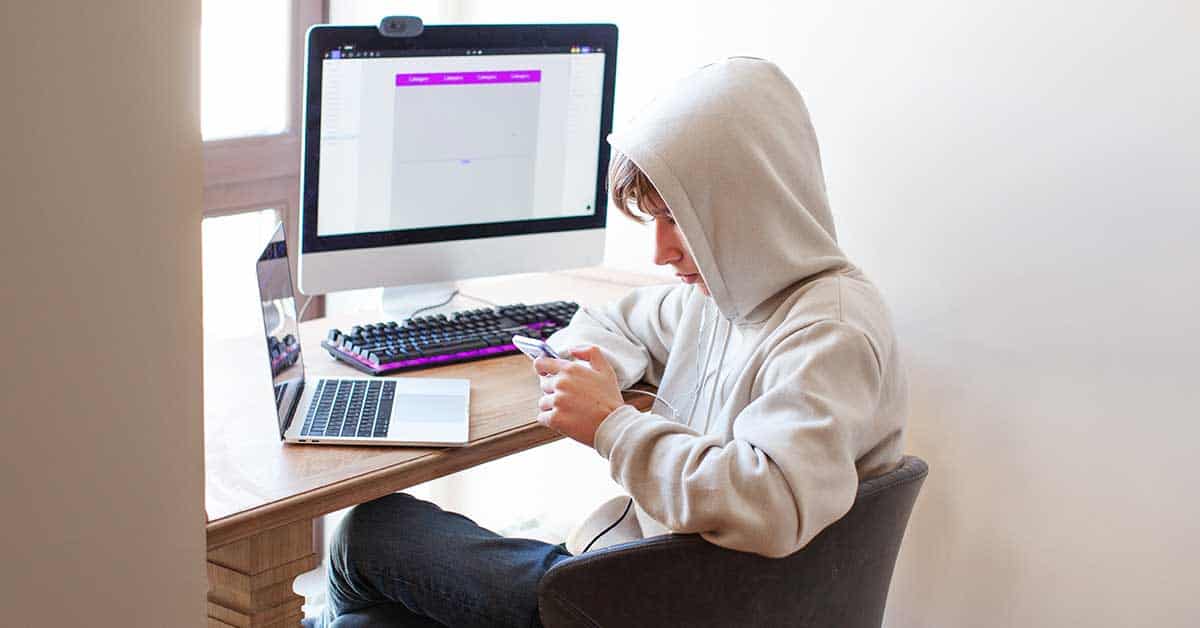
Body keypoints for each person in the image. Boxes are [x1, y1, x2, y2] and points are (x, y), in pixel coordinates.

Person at [309, 57, 907, 628]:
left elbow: (770, 502)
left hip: (669, 605)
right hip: (660, 580)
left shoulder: (830, 333)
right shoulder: (725, 300)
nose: (661, 252)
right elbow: (613, 321)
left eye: (680, 220)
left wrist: (610, 423)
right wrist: (591, 368)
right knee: (389, 603)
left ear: (749, 203)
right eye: (656, 222)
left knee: (370, 532)